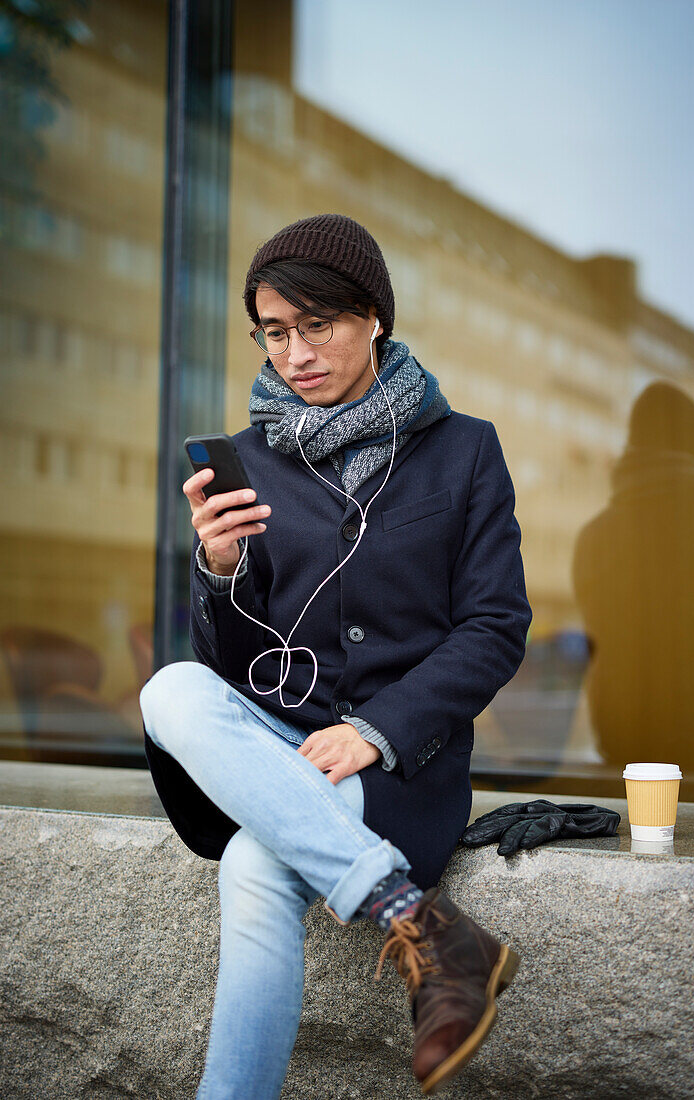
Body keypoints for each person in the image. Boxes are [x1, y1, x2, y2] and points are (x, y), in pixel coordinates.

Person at [139, 213, 533, 1098]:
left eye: (317, 326)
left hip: (399, 765)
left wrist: (377, 731)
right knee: (172, 687)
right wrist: (222, 567)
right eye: (274, 332)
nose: (294, 353)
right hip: (287, 745)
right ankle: (419, 922)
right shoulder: (245, 462)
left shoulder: (464, 451)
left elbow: (495, 627)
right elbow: (236, 669)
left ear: (373, 318)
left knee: (252, 862)